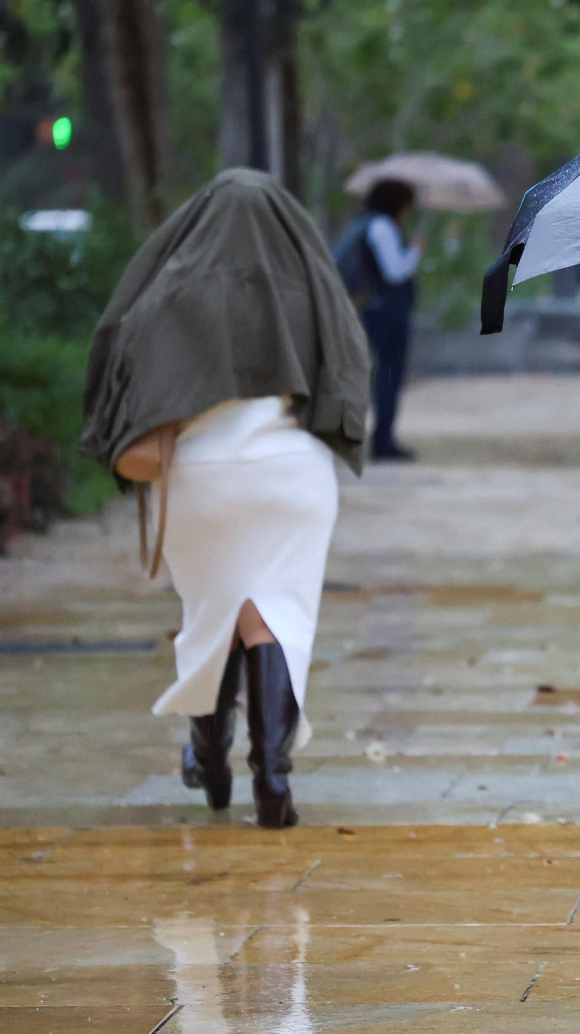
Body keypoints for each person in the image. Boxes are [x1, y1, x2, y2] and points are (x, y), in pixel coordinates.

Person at [81, 168, 371, 829]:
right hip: (291, 475)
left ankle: (209, 764)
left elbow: (117, 369)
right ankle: (273, 780)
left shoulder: (168, 290)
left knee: (214, 620)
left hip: (199, 477)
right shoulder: (310, 284)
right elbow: (351, 368)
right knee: (273, 620)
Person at [337, 179, 424, 461]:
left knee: (383, 374)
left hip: (376, 309)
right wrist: (416, 249)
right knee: (388, 375)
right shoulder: (383, 227)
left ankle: (382, 437)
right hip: (387, 312)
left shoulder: (368, 224)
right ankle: (383, 440)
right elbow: (396, 271)